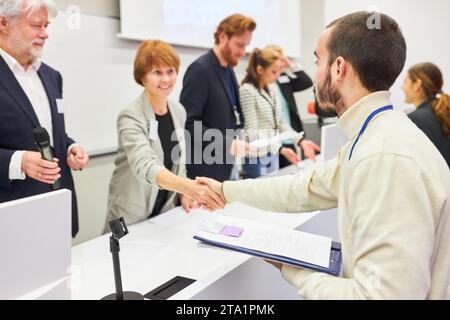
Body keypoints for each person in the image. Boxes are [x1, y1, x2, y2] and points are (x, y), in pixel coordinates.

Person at [197, 11, 450, 299]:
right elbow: (304, 188)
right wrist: (225, 190)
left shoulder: (384, 157)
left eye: (318, 61)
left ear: (338, 67)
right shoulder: (376, 137)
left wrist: (293, 269)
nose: (315, 74)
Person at [105, 40, 224, 230]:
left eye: (170, 71)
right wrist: (186, 187)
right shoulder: (130, 115)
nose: (166, 79)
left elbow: (179, 158)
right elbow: (145, 164)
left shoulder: (178, 111)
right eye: (157, 72)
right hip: (131, 214)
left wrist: (183, 194)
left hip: (164, 212)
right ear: (142, 77)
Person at [0, 0, 89, 238]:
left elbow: (51, 133)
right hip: (11, 218)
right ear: (3, 23)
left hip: (57, 205)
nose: (45, 33)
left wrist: (70, 146)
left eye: (46, 25)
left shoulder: (52, 76)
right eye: (36, 25)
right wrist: (19, 162)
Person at [180, 14, 256, 182]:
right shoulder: (199, 70)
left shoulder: (228, 70)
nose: (243, 52)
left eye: (246, 46)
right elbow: (188, 123)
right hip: (206, 171)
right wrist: (227, 144)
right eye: (239, 45)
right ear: (222, 37)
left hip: (228, 165)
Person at [239, 47, 303, 178]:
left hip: (271, 152)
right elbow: (252, 131)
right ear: (260, 70)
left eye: (279, 71)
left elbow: (279, 122)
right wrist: (280, 149)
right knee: (255, 196)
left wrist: (300, 140)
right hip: (255, 156)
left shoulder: (272, 91)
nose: (277, 76)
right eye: (274, 71)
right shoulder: (247, 90)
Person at [265, 44, 320, 165]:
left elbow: (306, 82)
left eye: (282, 58)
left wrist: (291, 65)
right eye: (278, 58)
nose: (281, 61)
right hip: (271, 139)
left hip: (289, 132)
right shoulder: (263, 82)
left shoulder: (282, 77)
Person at [402, 62, 450, 168]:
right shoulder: (444, 112)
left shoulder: (414, 119)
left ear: (417, 84)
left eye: (405, 82)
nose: (402, 87)